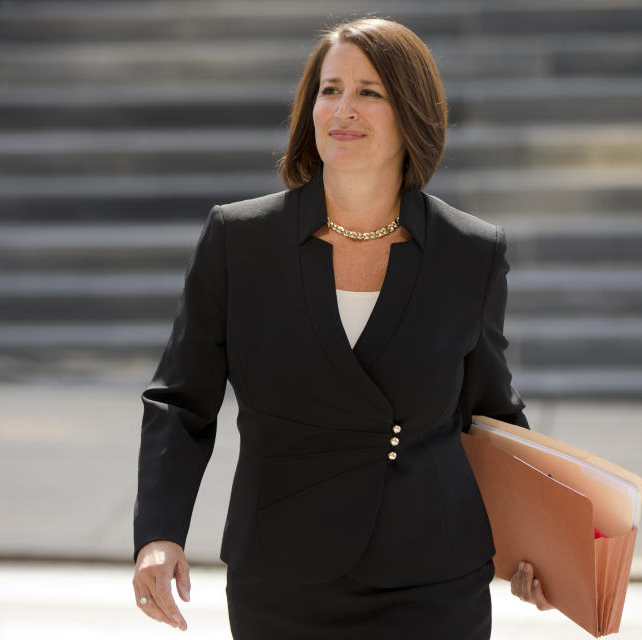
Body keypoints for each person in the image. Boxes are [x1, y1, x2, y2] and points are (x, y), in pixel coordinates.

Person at [131, 16, 553, 638]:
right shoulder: (239, 241)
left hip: (433, 577)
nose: (343, 110)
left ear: (411, 113)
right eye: (330, 90)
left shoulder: (471, 252)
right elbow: (180, 401)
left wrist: (535, 543)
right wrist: (159, 535)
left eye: (369, 92)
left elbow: (488, 417)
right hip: (283, 573)